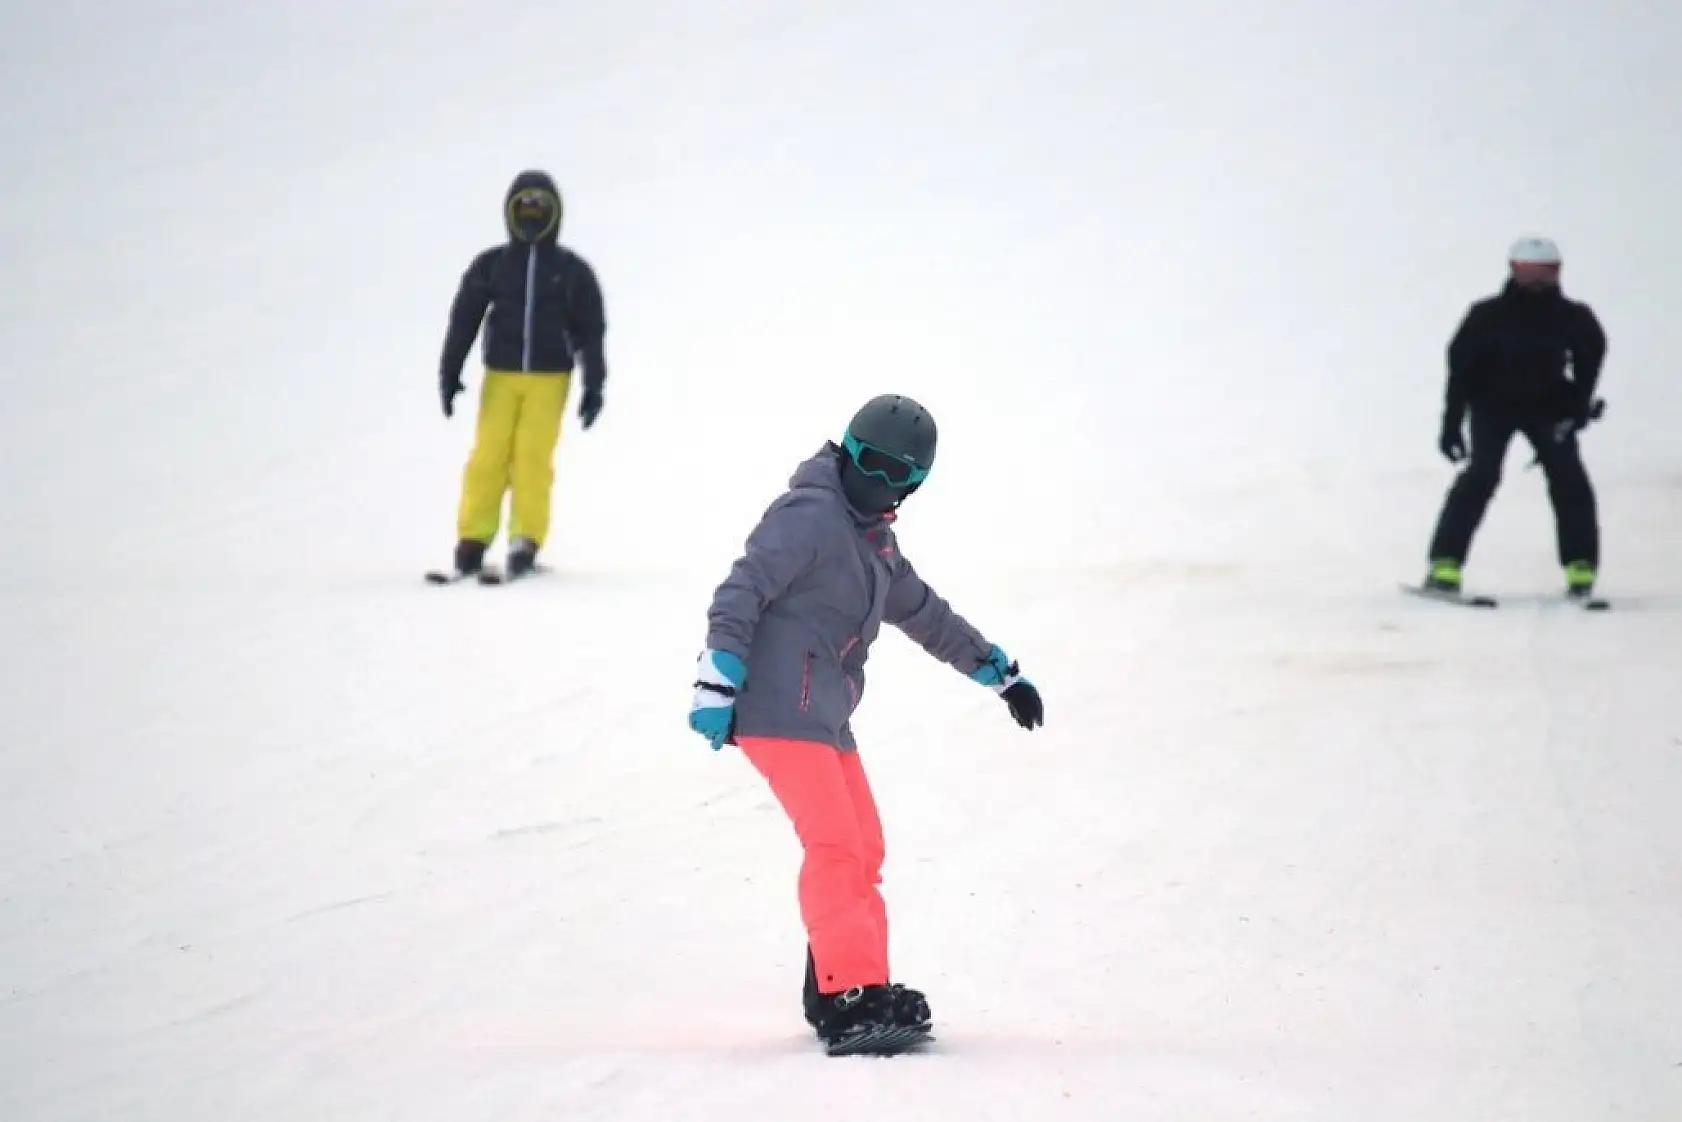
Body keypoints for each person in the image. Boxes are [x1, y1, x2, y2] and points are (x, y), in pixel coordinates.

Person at [686, 393, 1046, 1054]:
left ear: (915, 483)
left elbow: (927, 615)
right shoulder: (811, 515)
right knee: (836, 846)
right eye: (871, 464)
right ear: (849, 450)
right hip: (776, 706)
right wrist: (717, 675)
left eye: (897, 474)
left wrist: (1000, 673)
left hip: (820, 713)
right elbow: (742, 589)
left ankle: (842, 986)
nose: (879, 482)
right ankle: (852, 994)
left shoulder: (873, 540)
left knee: (864, 846)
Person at [436, 169, 608, 579]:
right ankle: (472, 539)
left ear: (554, 214)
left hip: (550, 379)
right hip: (501, 375)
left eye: (539, 208)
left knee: (532, 456)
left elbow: (590, 330)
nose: (531, 216)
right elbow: (465, 318)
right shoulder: (493, 265)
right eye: (524, 207)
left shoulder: (571, 271)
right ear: (510, 213)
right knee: (488, 457)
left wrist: (594, 384)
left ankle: (525, 539)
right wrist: (450, 369)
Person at [1423, 235, 1608, 598]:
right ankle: (1444, 564)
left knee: (1569, 479)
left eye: (1545, 272)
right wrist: (1451, 425)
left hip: (1549, 408)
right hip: (1493, 407)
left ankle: (1580, 566)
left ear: (1557, 273)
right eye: (1528, 271)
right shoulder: (1486, 315)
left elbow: (1591, 357)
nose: (1536, 281)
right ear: (1513, 270)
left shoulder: (1573, 316)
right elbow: (1460, 371)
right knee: (1481, 475)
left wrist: (1578, 406)